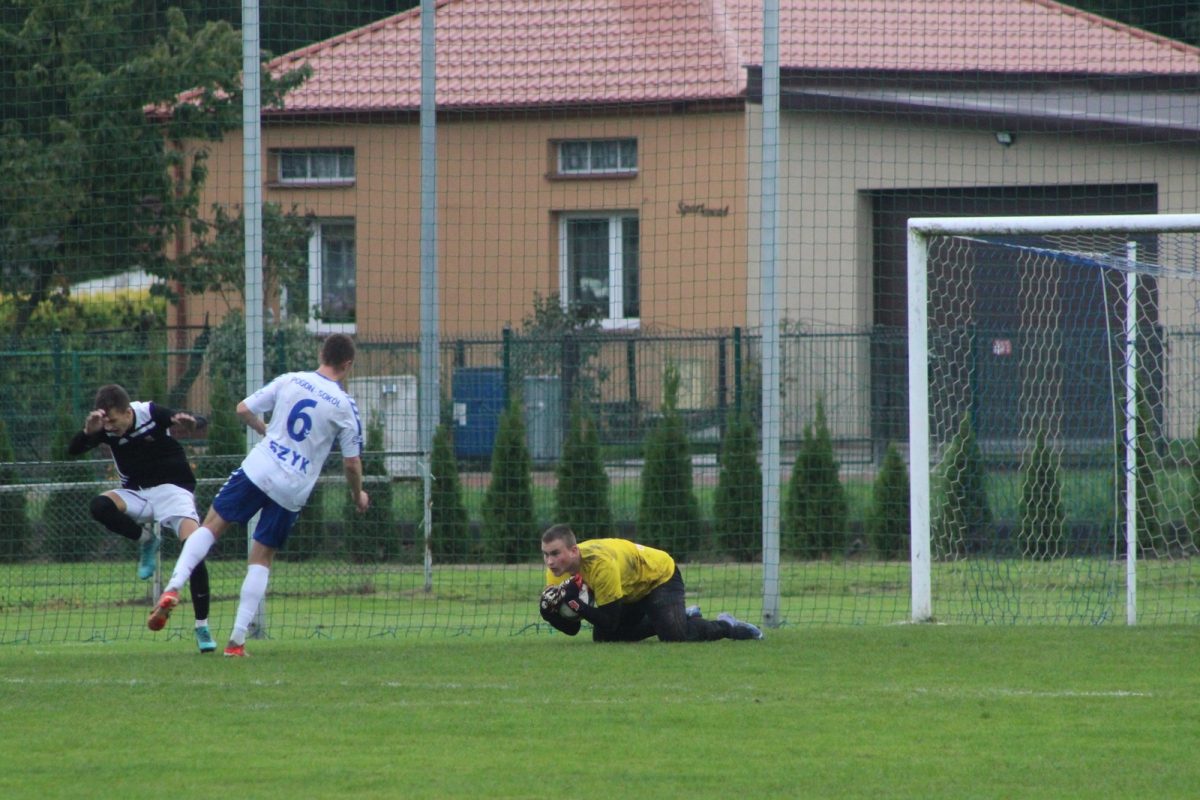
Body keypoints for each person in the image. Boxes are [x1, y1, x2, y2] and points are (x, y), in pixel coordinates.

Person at [148, 333, 369, 657]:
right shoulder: (345, 406)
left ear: (321, 354)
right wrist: (357, 494)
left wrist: (268, 432)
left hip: (260, 466)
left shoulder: (292, 380)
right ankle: (236, 641)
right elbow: (351, 463)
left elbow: (243, 409)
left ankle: (172, 588)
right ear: (348, 364)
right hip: (293, 487)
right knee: (261, 557)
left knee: (210, 526)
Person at [69, 384, 217, 654]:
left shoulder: (149, 412)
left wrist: (192, 421)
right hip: (136, 494)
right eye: (106, 422)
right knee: (99, 505)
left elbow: (195, 418)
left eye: (114, 420)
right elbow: (73, 449)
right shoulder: (104, 426)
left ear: (127, 412)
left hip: (174, 491)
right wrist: (88, 432)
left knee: (194, 551)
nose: (110, 427)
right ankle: (147, 540)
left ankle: (202, 626)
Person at [538, 523, 764, 642]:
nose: (550, 561)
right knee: (606, 637)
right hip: (630, 590)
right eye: (546, 554)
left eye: (555, 553)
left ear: (574, 550)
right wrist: (550, 614)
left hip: (659, 577)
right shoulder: (557, 573)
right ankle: (679, 616)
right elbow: (574, 628)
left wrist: (577, 604)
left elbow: (609, 619)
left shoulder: (600, 564)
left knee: (674, 637)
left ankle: (728, 626)